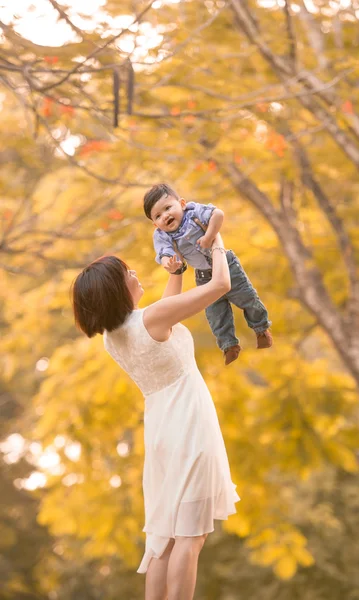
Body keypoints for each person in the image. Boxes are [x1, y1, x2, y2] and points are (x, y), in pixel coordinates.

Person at [72, 233, 239, 600]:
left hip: (162, 429)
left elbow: (162, 318)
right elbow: (222, 284)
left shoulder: (113, 336)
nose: (135, 273)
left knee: (164, 538)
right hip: (190, 424)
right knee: (190, 537)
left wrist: (175, 271)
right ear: (119, 288)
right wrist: (215, 239)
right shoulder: (152, 319)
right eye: (128, 272)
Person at [143, 183, 273, 366]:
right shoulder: (162, 236)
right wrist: (170, 264)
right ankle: (229, 345)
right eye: (158, 216)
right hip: (203, 275)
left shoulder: (193, 212)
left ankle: (261, 328)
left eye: (167, 208)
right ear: (155, 223)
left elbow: (218, 214)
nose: (165, 216)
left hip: (227, 263)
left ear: (181, 203)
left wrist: (209, 236)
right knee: (215, 313)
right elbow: (164, 254)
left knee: (247, 297)